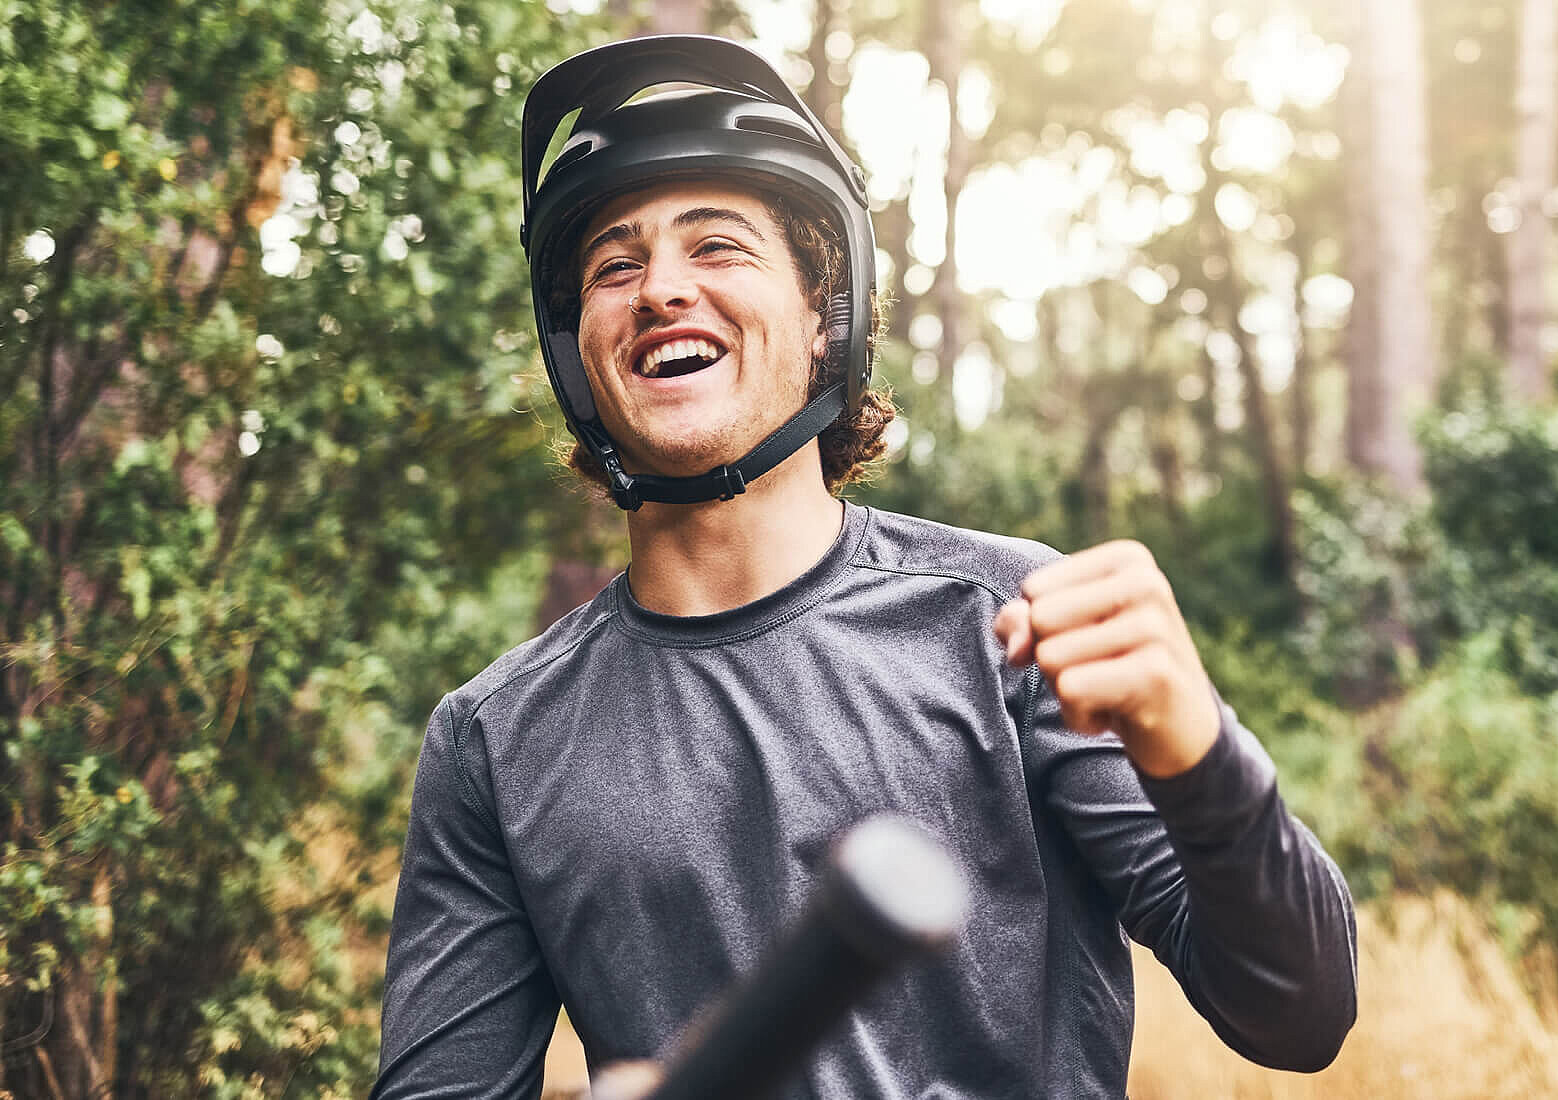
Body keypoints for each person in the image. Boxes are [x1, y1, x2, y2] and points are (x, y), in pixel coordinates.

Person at [372, 34, 1356, 1099]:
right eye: (614, 263)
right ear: (579, 354)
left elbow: (1299, 1013)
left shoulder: (1010, 624)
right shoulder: (496, 737)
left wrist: (1199, 752)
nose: (659, 288)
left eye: (718, 247)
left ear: (820, 318)